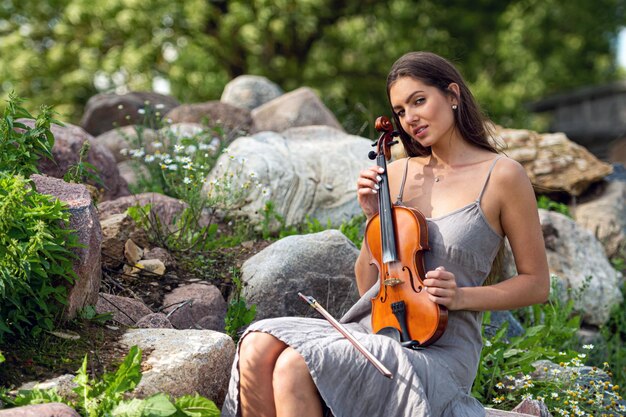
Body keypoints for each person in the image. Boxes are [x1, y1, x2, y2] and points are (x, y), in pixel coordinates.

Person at [220, 51, 550, 417]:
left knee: (294, 365)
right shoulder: (395, 174)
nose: (410, 119)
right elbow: (369, 287)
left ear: (453, 95)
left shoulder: (503, 176)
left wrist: (461, 296)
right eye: (400, 111)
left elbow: (536, 284)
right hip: (376, 331)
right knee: (258, 342)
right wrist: (373, 218)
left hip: (441, 352)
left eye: (419, 101)